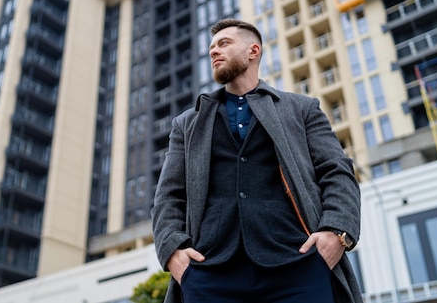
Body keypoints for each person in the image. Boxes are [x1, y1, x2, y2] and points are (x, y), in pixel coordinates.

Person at [151, 18, 362, 303]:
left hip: (298, 266)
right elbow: (168, 196)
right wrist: (173, 252)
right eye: (211, 47)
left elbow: (336, 172)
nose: (214, 51)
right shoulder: (187, 124)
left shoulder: (302, 109)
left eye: (224, 44)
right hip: (209, 272)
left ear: (254, 51)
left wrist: (337, 232)